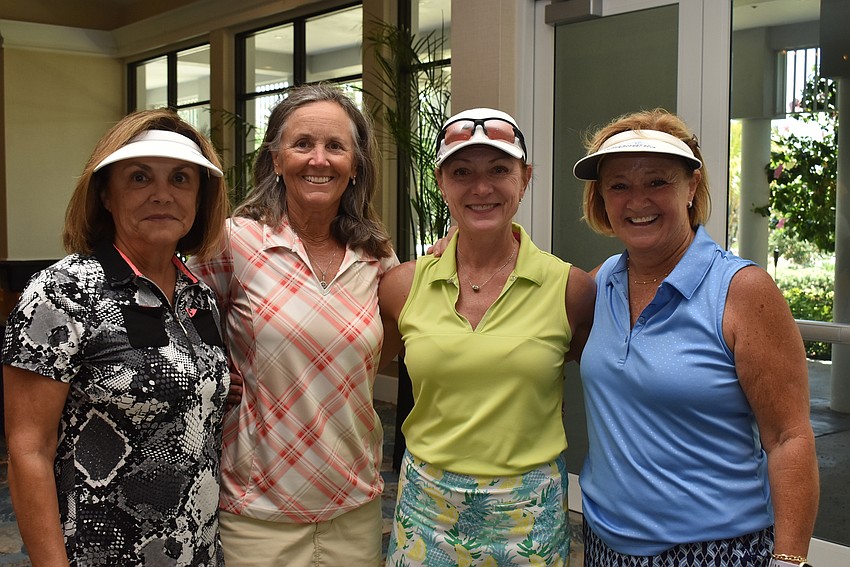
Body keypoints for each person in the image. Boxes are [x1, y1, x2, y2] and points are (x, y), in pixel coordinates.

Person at [573, 109, 819, 567]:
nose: (637, 200)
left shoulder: (742, 290)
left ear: (692, 187)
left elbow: (789, 437)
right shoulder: (604, 280)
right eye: (619, 185)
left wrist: (789, 559)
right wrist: (466, 251)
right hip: (604, 544)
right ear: (601, 198)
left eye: (657, 182)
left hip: (714, 552)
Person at [2, 109, 232, 566]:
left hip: (197, 550)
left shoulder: (199, 295)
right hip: (99, 553)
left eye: (182, 179)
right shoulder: (63, 292)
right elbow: (29, 448)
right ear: (106, 193)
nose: (162, 194)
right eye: (140, 177)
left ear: (201, 197)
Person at [187, 83, 398, 566]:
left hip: (355, 504)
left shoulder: (377, 256)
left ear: (356, 164)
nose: (319, 159)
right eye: (302, 144)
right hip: (257, 508)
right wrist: (216, 371)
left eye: (335, 147)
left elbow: (384, 346)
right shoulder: (233, 242)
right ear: (277, 159)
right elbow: (181, 323)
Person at [379, 108, 595, 567]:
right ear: (441, 182)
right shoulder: (403, 285)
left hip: (528, 513)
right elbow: (359, 367)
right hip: (427, 508)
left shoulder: (571, 289)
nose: (481, 188)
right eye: (462, 172)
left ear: (526, 178)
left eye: (500, 169)